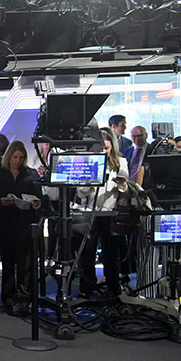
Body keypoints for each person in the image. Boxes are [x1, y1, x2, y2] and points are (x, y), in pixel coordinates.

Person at [0, 142, 43, 314]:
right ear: (9, 157)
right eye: (15, 157)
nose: (18, 161)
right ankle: (8, 297)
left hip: (24, 220)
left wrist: (36, 203)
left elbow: (39, 197)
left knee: (24, 261)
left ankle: (24, 295)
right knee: (7, 260)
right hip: (6, 220)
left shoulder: (30, 173)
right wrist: (0, 201)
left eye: (21, 158)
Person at [76, 128, 130, 298]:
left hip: (110, 212)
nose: (104, 152)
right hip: (90, 212)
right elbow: (80, 193)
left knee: (111, 253)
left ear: (112, 147)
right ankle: (87, 286)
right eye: (101, 148)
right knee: (88, 252)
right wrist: (90, 184)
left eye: (106, 148)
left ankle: (113, 287)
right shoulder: (88, 162)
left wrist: (121, 185)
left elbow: (126, 189)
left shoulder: (120, 162)